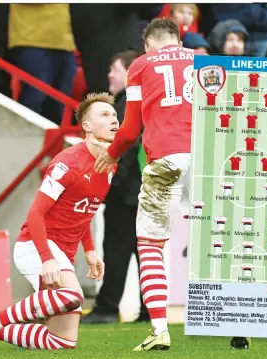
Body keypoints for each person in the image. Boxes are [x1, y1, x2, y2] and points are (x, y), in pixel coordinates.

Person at [0, 92, 118, 351]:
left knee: (62, 341)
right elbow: (35, 213)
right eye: (104, 115)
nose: (114, 120)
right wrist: (47, 257)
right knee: (74, 297)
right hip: (36, 246)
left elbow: (84, 212)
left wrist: (91, 251)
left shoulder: (109, 165)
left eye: (114, 115)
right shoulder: (68, 162)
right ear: (86, 126)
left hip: (63, 252)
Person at [93, 18, 193, 352]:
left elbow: (130, 126)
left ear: (149, 43)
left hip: (165, 159)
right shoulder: (202, 60)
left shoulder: (140, 65)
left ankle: (160, 330)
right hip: (206, 160)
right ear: (178, 40)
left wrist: (111, 154)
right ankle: (237, 326)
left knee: (150, 243)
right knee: (219, 238)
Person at [82, 51, 150, 325]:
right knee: (145, 252)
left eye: (115, 69)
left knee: (117, 249)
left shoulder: (127, 105)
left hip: (127, 193)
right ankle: (150, 310)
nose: (110, 74)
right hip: (144, 191)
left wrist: (109, 182)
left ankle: (107, 308)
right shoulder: (141, 102)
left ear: (130, 74)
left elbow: (126, 146)